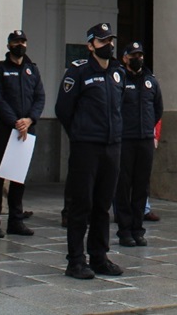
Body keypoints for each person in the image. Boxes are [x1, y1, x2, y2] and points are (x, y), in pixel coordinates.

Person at [55, 23, 125, 280]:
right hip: (86, 146)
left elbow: (120, 107)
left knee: (102, 204)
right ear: (91, 45)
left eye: (110, 40)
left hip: (112, 146)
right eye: (102, 41)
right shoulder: (79, 72)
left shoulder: (118, 72)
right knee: (81, 204)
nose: (108, 45)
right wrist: (80, 134)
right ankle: (75, 260)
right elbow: (63, 109)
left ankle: (99, 256)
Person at [0, 30, 45, 239]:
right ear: (9, 45)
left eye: (23, 41)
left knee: (19, 178)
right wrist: (15, 121)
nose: (20, 45)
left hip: (26, 131)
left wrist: (29, 120)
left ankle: (15, 221)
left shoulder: (32, 70)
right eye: (16, 41)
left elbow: (39, 97)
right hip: (6, 129)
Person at [116, 42, 163, 247]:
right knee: (123, 185)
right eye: (134, 55)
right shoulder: (118, 79)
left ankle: (138, 229)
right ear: (125, 58)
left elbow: (158, 108)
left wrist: (148, 128)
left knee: (141, 186)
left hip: (144, 139)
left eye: (141, 55)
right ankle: (124, 230)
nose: (138, 58)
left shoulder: (151, 81)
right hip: (125, 139)